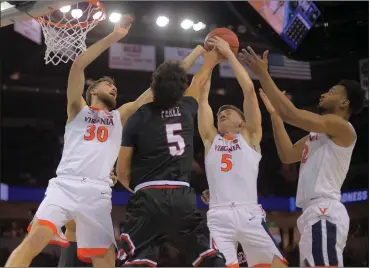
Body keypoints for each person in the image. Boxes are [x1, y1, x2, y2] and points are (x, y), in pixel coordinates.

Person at [5, 15, 153, 267]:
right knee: (34, 240)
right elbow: (77, 66)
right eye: (108, 85)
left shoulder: (120, 115)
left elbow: (149, 95)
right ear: (93, 90)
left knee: (105, 258)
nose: (114, 88)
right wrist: (114, 37)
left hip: (97, 191)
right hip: (65, 185)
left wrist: (179, 69)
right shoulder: (77, 108)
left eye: (115, 87)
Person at [241, 46, 366, 267]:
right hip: (310, 213)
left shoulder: (342, 127)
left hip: (325, 210)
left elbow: (292, 114)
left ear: (344, 103)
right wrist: (274, 114)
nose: (323, 93)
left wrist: (263, 75)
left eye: (332, 91)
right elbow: (287, 155)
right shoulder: (318, 134)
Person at [115, 48, 226, 267]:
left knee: (136, 261)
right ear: (182, 89)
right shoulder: (186, 108)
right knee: (208, 257)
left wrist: (142, 190)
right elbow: (200, 80)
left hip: (147, 195)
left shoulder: (138, 117)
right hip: (180, 196)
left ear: (153, 87)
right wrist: (211, 59)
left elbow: (122, 172)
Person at [197, 37, 286, 267]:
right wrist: (211, 63)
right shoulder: (211, 140)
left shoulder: (250, 137)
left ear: (242, 123)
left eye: (228, 111)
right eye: (219, 114)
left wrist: (229, 54)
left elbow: (248, 90)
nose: (222, 114)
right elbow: (202, 98)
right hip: (218, 215)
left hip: (249, 213)